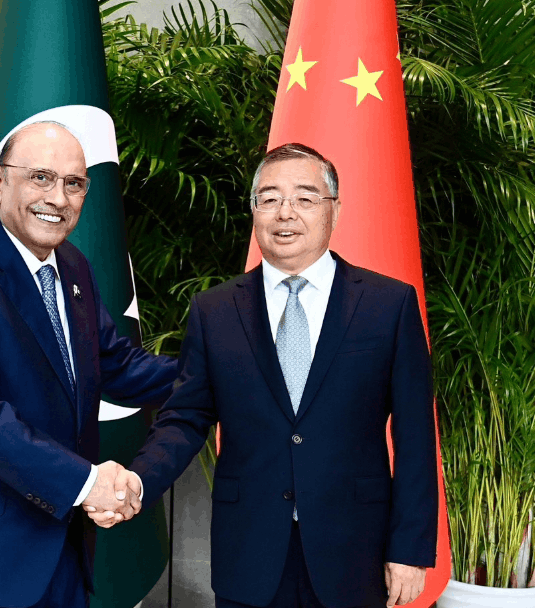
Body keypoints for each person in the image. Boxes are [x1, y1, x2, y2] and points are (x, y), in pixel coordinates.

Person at [90, 143, 438, 608]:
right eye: (269, 198)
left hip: (353, 551)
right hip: (249, 552)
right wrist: (139, 479)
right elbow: (185, 417)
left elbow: (417, 436)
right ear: (254, 212)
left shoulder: (387, 305)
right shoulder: (214, 310)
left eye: (305, 198)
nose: (285, 212)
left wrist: (410, 550)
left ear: (333, 209)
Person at [0, 122, 175, 608]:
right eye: (41, 177)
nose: (58, 198)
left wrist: (223, 368)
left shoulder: (74, 267)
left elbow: (118, 366)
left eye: (74, 183)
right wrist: (88, 484)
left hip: (58, 549)